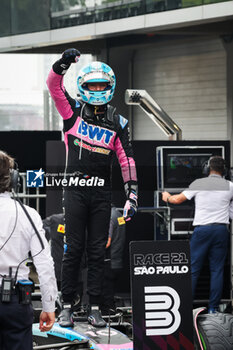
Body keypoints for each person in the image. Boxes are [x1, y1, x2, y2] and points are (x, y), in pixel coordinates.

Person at [46, 48, 138, 327]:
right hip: (74, 191)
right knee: (73, 250)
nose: (97, 90)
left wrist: (132, 194)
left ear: (110, 87)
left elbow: (127, 160)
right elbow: (53, 86)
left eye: (102, 85)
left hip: (101, 194)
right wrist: (62, 64)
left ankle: (95, 306)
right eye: (91, 85)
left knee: (98, 252)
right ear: (82, 87)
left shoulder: (118, 122)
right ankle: (67, 306)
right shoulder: (71, 111)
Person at [0, 150, 58, 350]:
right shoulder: (29, 214)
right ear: (14, 180)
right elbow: (44, 264)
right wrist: (49, 306)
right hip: (15, 303)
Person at [162, 155, 233, 313]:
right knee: (217, 270)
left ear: (207, 168)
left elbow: (178, 200)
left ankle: (186, 308)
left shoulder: (199, 183)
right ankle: (213, 309)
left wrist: (167, 197)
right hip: (221, 230)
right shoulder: (230, 185)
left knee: (193, 269)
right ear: (224, 171)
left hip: (202, 230)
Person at [100, 204, 126, 315]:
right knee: (109, 295)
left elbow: (107, 242)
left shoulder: (109, 217)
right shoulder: (119, 214)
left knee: (106, 298)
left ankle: (109, 324)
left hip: (108, 262)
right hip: (117, 261)